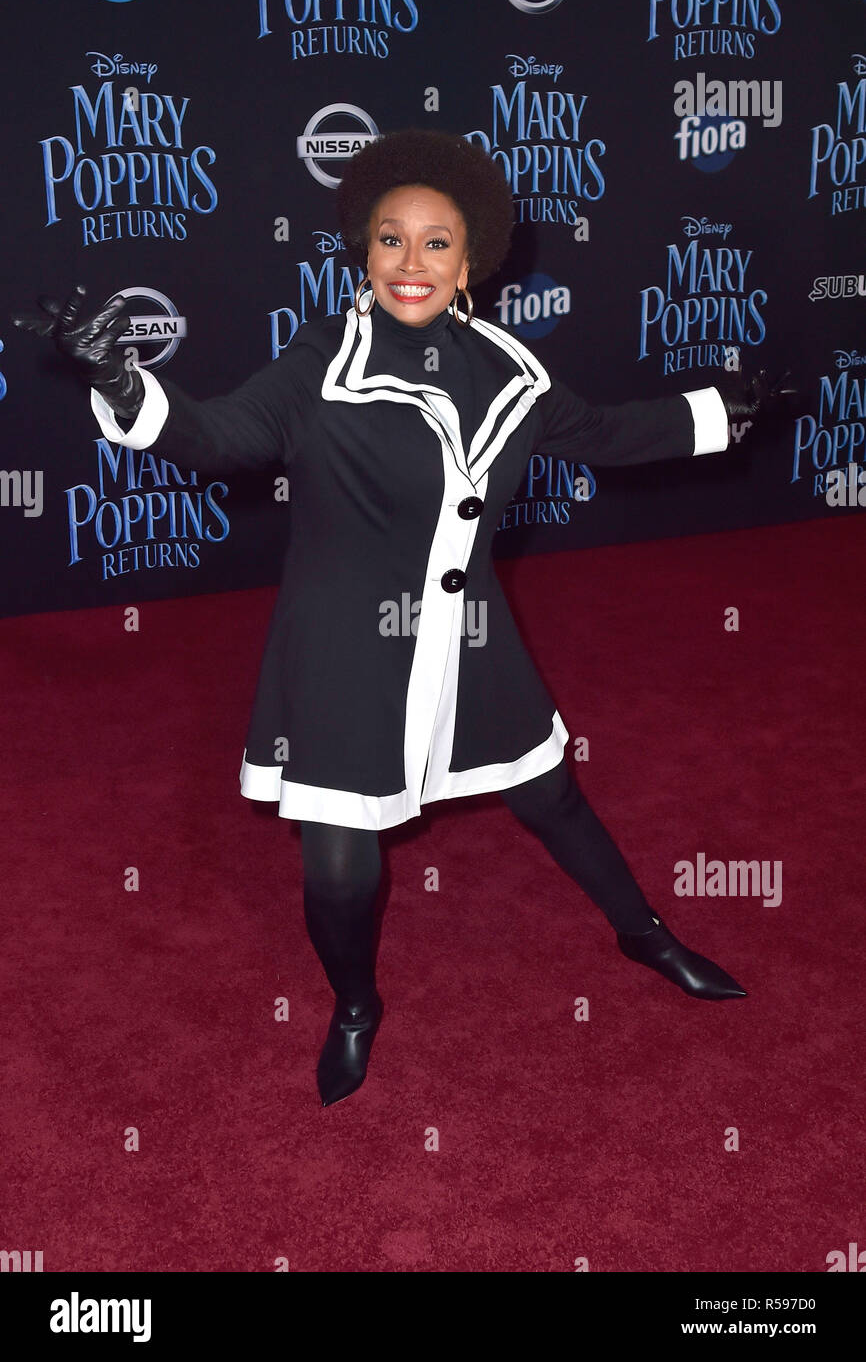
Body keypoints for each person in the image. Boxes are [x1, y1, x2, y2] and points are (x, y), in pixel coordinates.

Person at [13, 128, 789, 1109]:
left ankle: (644, 933)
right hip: (344, 647)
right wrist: (119, 381)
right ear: (361, 250)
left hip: (471, 639)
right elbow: (214, 435)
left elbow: (608, 434)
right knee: (341, 862)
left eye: (435, 243)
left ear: (470, 263)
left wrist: (724, 408)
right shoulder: (318, 362)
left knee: (548, 795)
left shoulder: (512, 368)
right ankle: (350, 1007)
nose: (410, 262)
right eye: (391, 239)